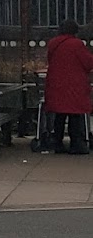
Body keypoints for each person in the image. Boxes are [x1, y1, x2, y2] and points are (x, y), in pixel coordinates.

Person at [44, 17, 93, 153]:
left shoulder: (53, 43)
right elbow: (88, 63)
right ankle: (76, 144)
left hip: (56, 85)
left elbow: (51, 60)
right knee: (75, 115)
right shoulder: (77, 44)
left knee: (59, 115)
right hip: (74, 86)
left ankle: (57, 143)